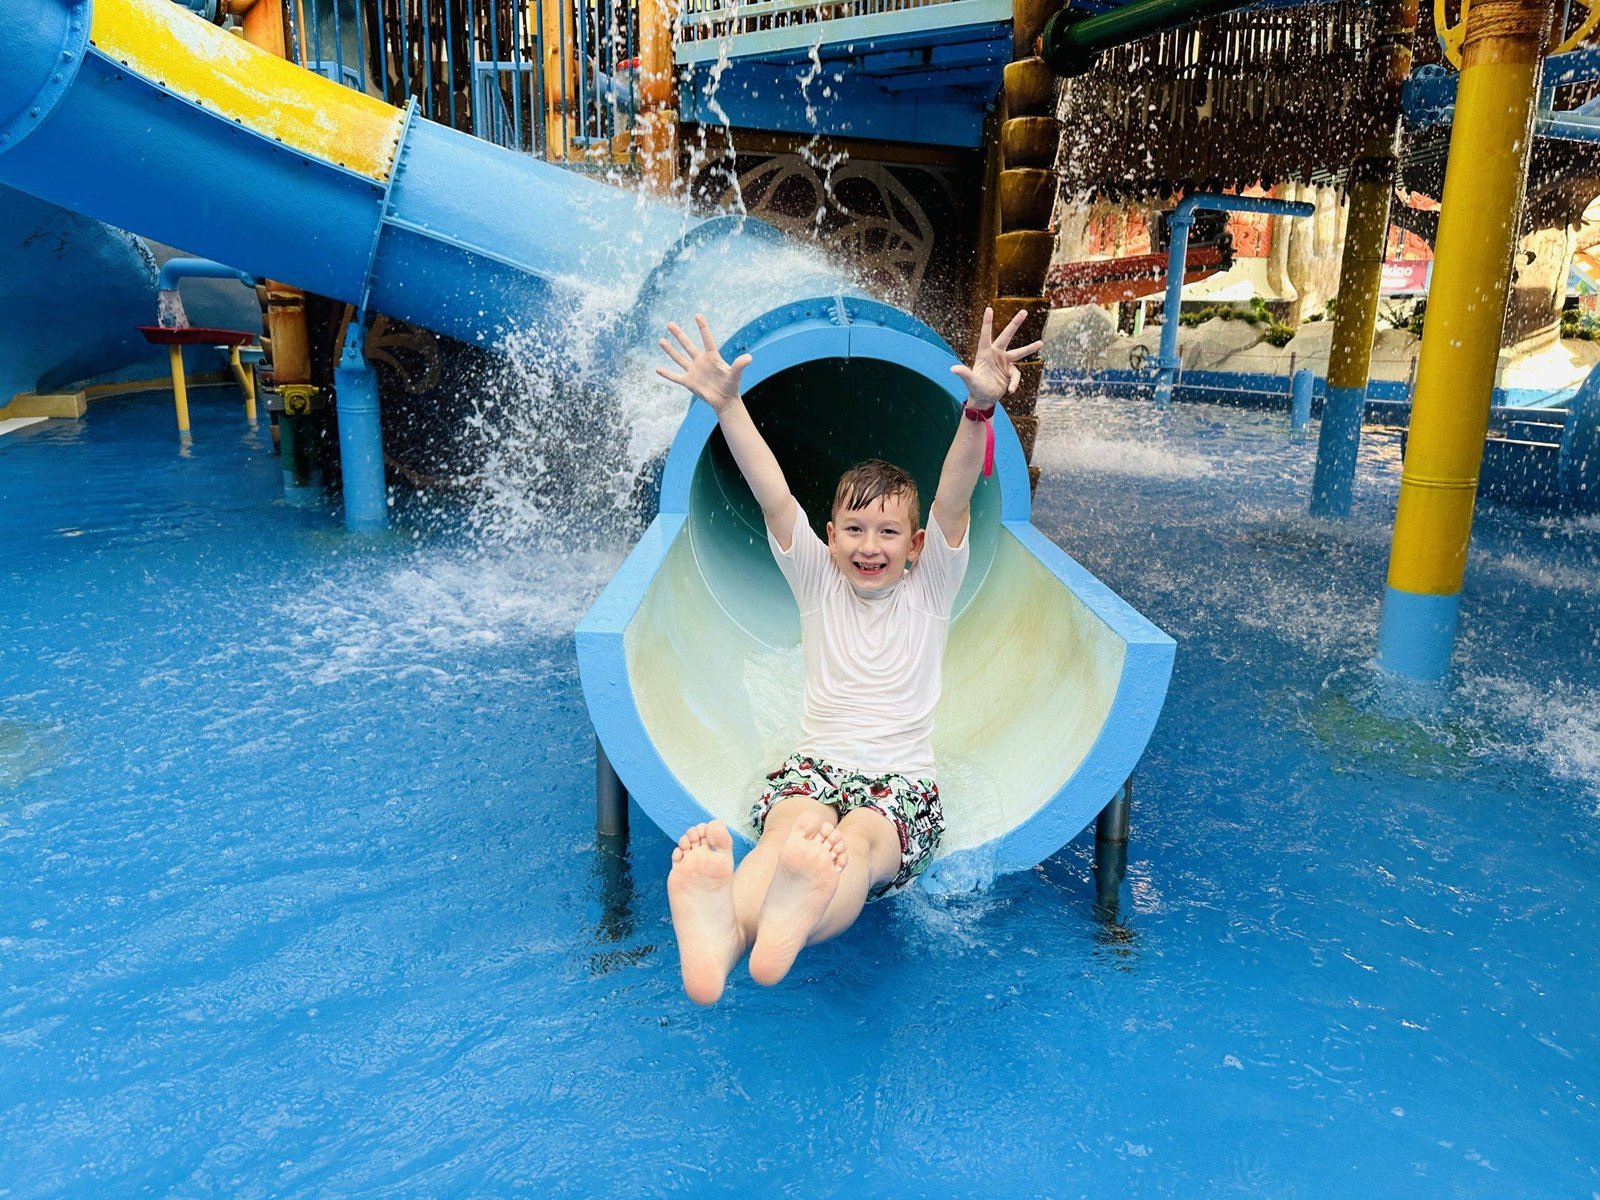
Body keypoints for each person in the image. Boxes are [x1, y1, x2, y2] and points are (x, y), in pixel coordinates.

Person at [653, 307, 1042, 1004]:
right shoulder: (815, 581)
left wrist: (978, 410)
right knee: (785, 835)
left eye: (889, 531)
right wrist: (728, 406)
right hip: (814, 767)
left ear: (916, 546)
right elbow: (773, 496)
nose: (870, 545)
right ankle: (723, 934)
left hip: (900, 783)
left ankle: (787, 915)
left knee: (856, 848)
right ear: (829, 538)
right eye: (855, 528)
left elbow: (955, 499)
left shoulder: (931, 589)